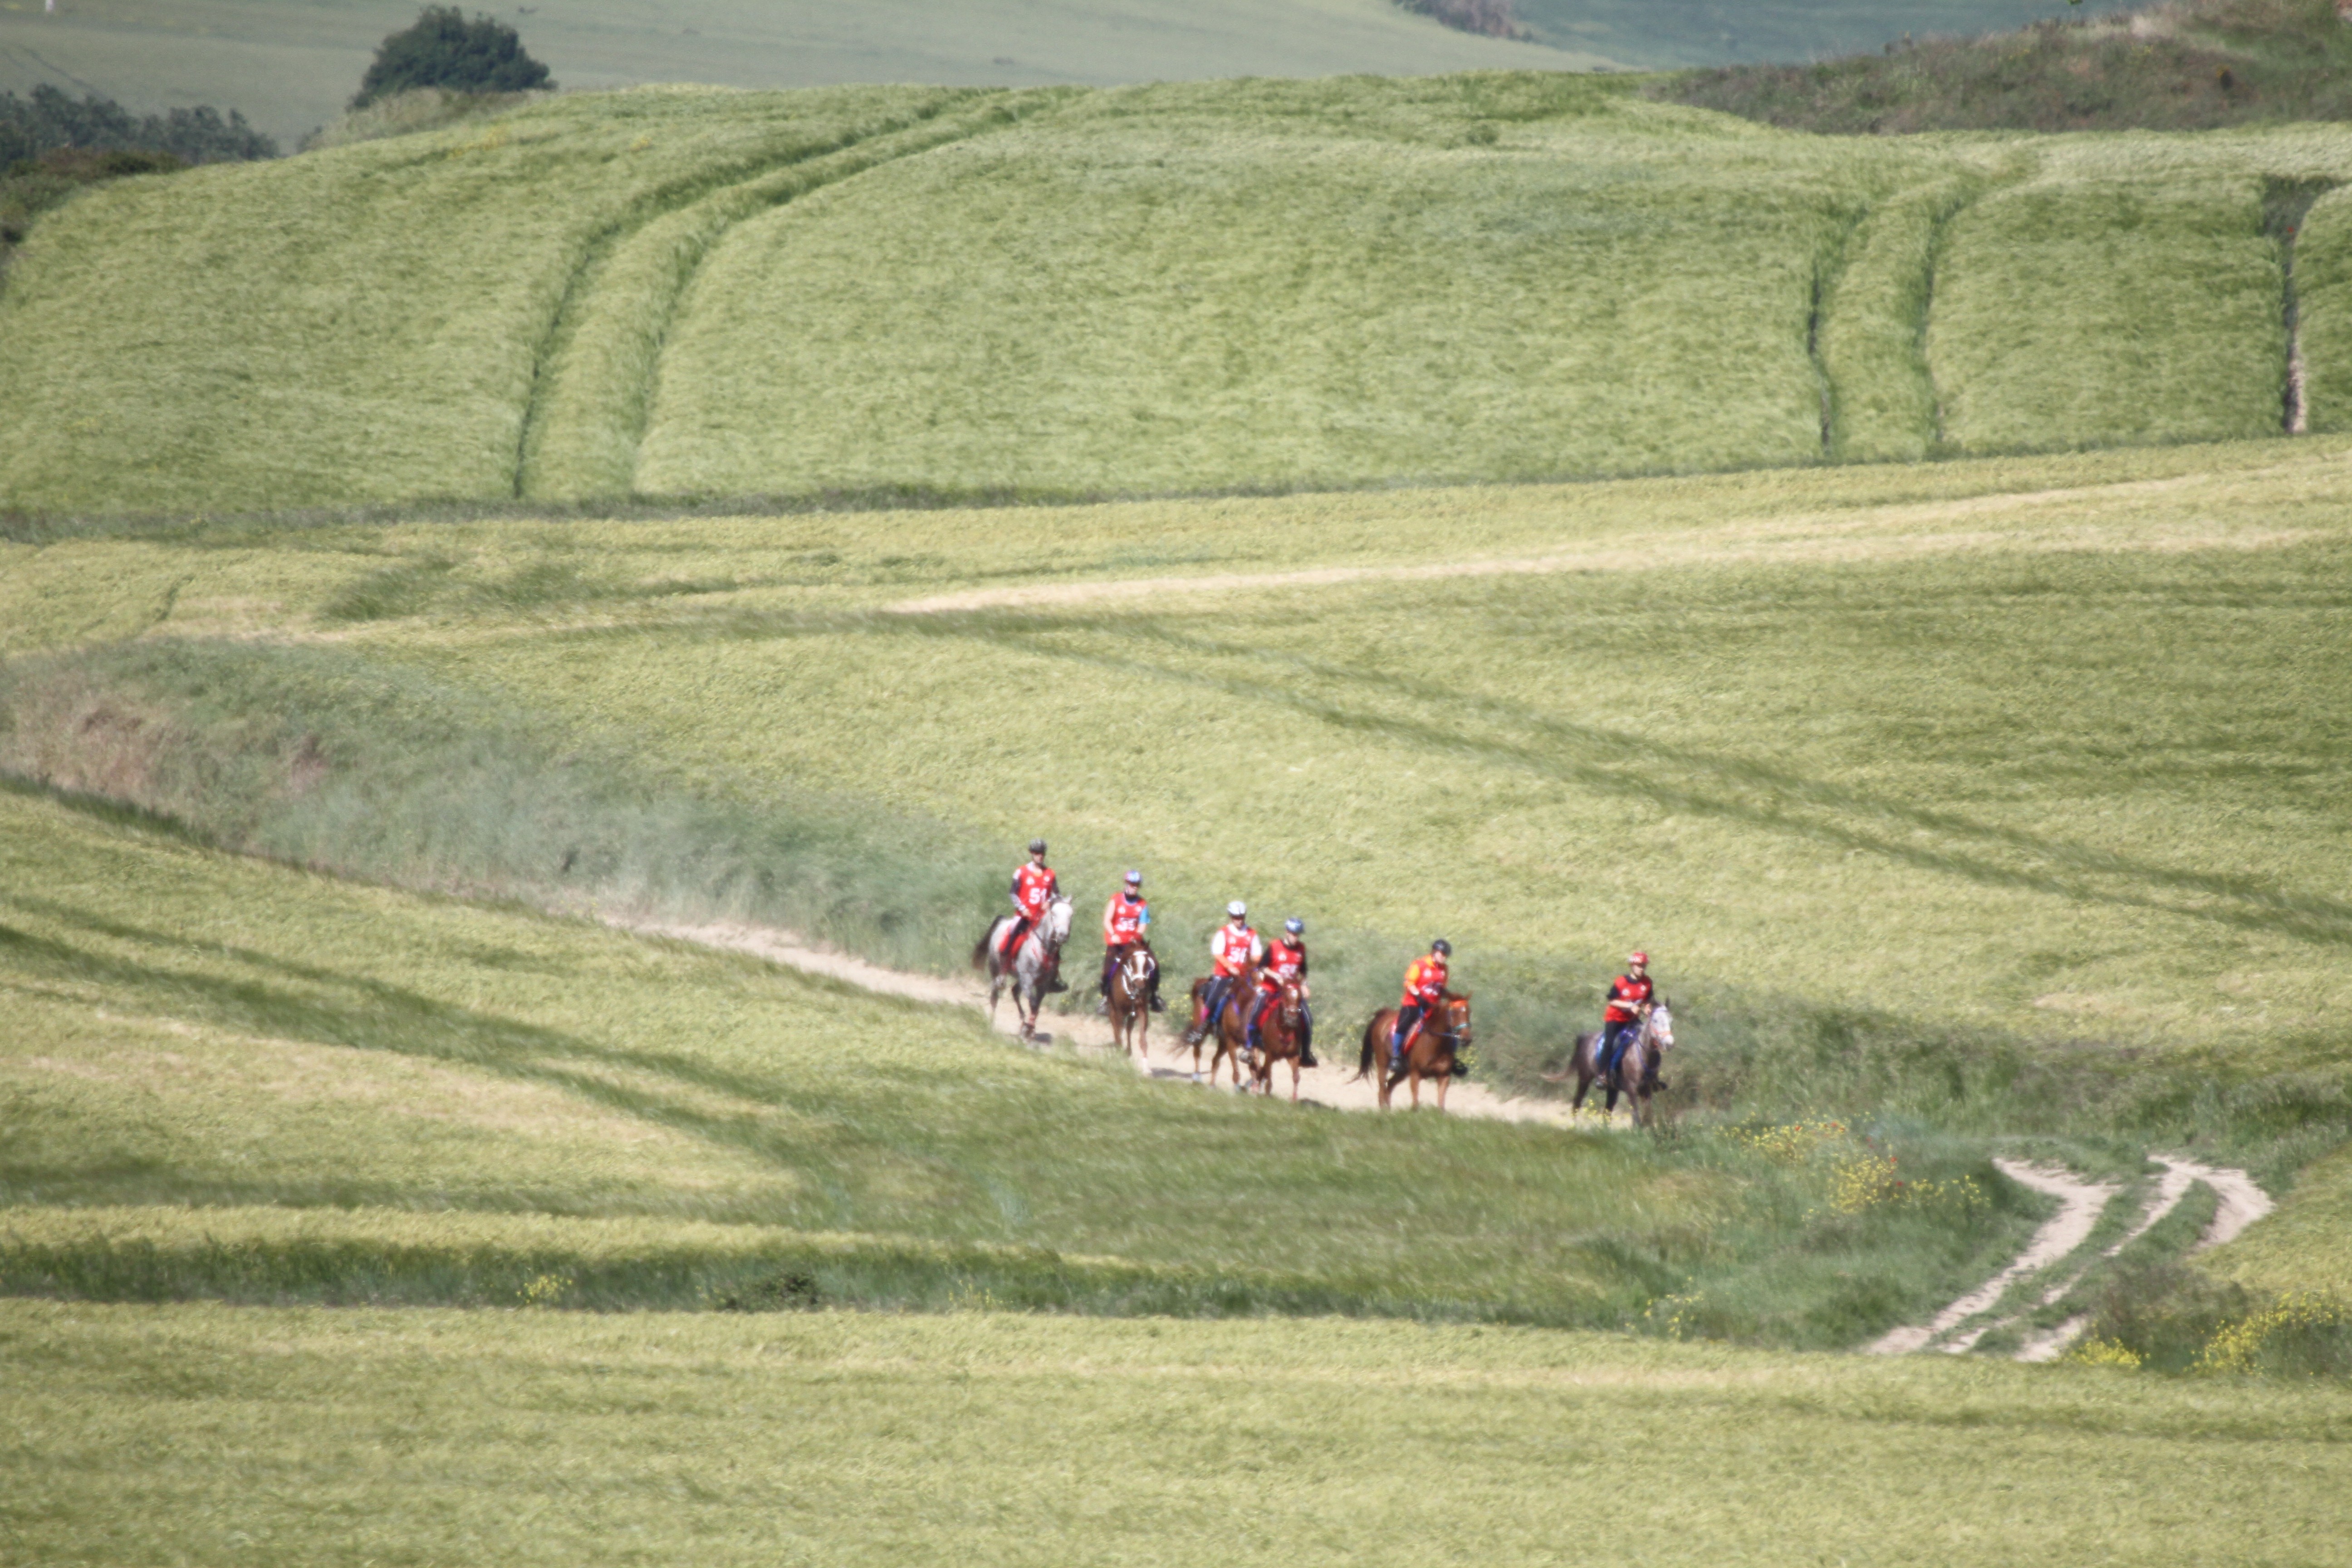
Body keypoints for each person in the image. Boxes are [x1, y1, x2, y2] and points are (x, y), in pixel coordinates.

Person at [1189, 901, 1262, 1044]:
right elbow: (1217, 952)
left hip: (1244, 975)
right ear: (1231, 917)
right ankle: (1201, 1028)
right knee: (1213, 997)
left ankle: (1257, 1032)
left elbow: (1257, 954)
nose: (1239, 920)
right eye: (1236, 917)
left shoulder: (1251, 934)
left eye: (1241, 917)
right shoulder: (1224, 933)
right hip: (1224, 974)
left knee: (1260, 996)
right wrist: (1230, 967)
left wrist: (1251, 964)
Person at [1246, 917, 1316, 1068]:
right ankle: (1250, 1047)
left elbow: (1303, 971)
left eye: (1298, 934)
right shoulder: (1275, 947)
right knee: (1255, 1013)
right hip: (1271, 989)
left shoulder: (1301, 949)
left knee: (1308, 1019)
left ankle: (1305, 1054)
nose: (1295, 937)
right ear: (1287, 932)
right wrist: (1276, 976)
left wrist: (1305, 985)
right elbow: (1262, 967)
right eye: (1293, 934)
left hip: (1291, 992)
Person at [1096, 870, 1163, 1014]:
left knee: (1154, 964)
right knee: (1108, 970)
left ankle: (1155, 997)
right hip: (1117, 941)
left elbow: (1143, 924)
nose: (1134, 887)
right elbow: (1107, 919)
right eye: (1132, 884)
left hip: (1134, 943)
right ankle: (1105, 999)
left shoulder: (1142, 904)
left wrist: (1138, 935)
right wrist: (1113, 934)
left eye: (1137, 885)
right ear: (1126, 884)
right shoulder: (1116, 900)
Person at [1004, 839, 1064, 991]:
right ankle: (1004, 968)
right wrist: (1022, 908)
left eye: (1042, 853)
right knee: (1012, 934)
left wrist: (1050, 902)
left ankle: (1054, 977)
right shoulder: (1022, 872)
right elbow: (1013, 893)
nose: (1040, 856)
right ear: (1032, 854)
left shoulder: (1050, 874)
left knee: (1056, 941)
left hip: (1043, 918)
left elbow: (1057, 895)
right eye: (1037, 853)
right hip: (1025, 915)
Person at [1599, 951, 1655, 1084]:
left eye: (1644, 966)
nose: (1642, 968)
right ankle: (1602, 1074)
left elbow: (1649, 999)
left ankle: (1651, 1075)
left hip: (1632, 1019)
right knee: (1609, 1043)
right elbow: (1612, 1001)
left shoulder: (1647, 983)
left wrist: (1648, 1007)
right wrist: (1630, 1006)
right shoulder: (1621, 982)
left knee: (1650, 1040)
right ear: (1632, 966)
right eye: (1639, 966)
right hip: (1616, 1018)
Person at [1392, 939, 1451, 1064]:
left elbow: (1441, 988)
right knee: (1404, 1024)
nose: (1444, 958)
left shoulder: (1444, 970)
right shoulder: (1420, 965)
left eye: (1446, 956)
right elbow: (1409, 982)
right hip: (1413, 1003)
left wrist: (1449, 996)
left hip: (1433, 1005)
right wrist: (1419, 996)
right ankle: (1396, 1056)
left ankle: (1451, 1059)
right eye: (1443, 954)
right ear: (1435, 952)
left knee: (1450, 1026)